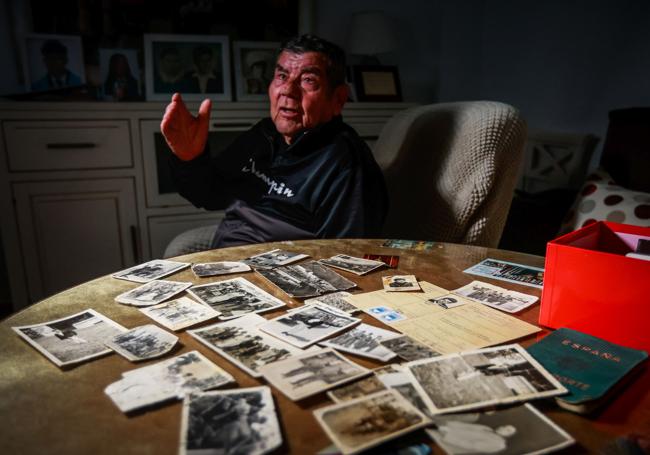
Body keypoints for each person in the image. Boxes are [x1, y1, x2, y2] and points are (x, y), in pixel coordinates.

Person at [161, 35, 388, 249]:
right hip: (230, 248)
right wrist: (190, 159)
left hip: (281, 273)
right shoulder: (265, 133)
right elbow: (209, 195)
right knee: (177, 249)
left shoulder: (347, 165)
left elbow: (346, 257)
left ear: (338, 99)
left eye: (308, 80)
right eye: (281, 76)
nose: (288, 91)